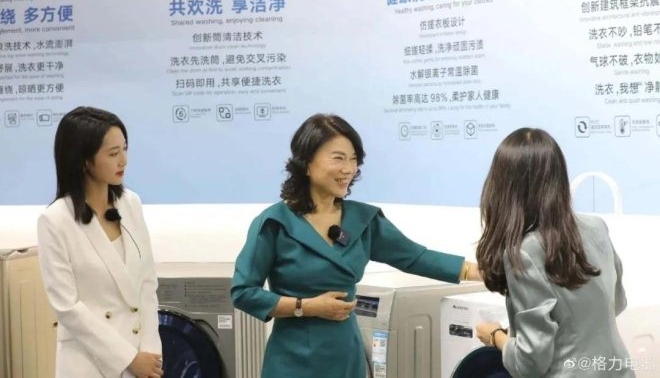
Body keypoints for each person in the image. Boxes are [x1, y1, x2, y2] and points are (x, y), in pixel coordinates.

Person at [231, 113, 481, 377]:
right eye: (338, 158)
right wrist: (305, 306)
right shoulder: (274, 223)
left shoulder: (363, 220)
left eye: (353, 160)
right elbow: (243, 292)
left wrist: (476, 271)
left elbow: (415, 257)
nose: (348, 169)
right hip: (292, 360)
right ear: (306, 163)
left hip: (345, 356)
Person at [474, 128, 632, 377]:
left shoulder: (523, 253)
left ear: (502, 185)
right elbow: (618, 302)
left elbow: (529, 363)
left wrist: (496, 337)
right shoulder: (596, 227)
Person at [37, 106, 163, 378]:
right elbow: (67, 307)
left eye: (125, 149)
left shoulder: (130, 203)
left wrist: (150, 353)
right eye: (113, 153)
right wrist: (129, 358)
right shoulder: (55, 220)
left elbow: (147, 284)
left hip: (143, 360)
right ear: (85, 160)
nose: (124, 160)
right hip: (89, 362)